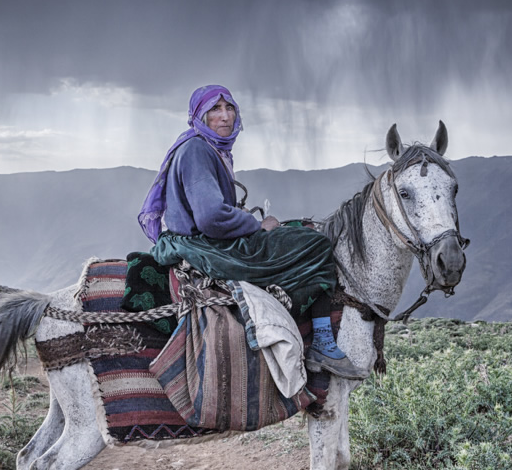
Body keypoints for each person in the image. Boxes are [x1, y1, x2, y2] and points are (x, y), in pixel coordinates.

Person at [138, 84, 364, 379]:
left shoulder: (205, 148)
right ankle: (321, 341)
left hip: (201, 240)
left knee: (296, 230)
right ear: (199, 116)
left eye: (229, 108)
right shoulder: (196, 149)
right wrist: (257, 226)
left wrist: (242, 218)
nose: (225, 116)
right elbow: (210, 218)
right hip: (203, 246)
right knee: (315, 243)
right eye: (215, 109)